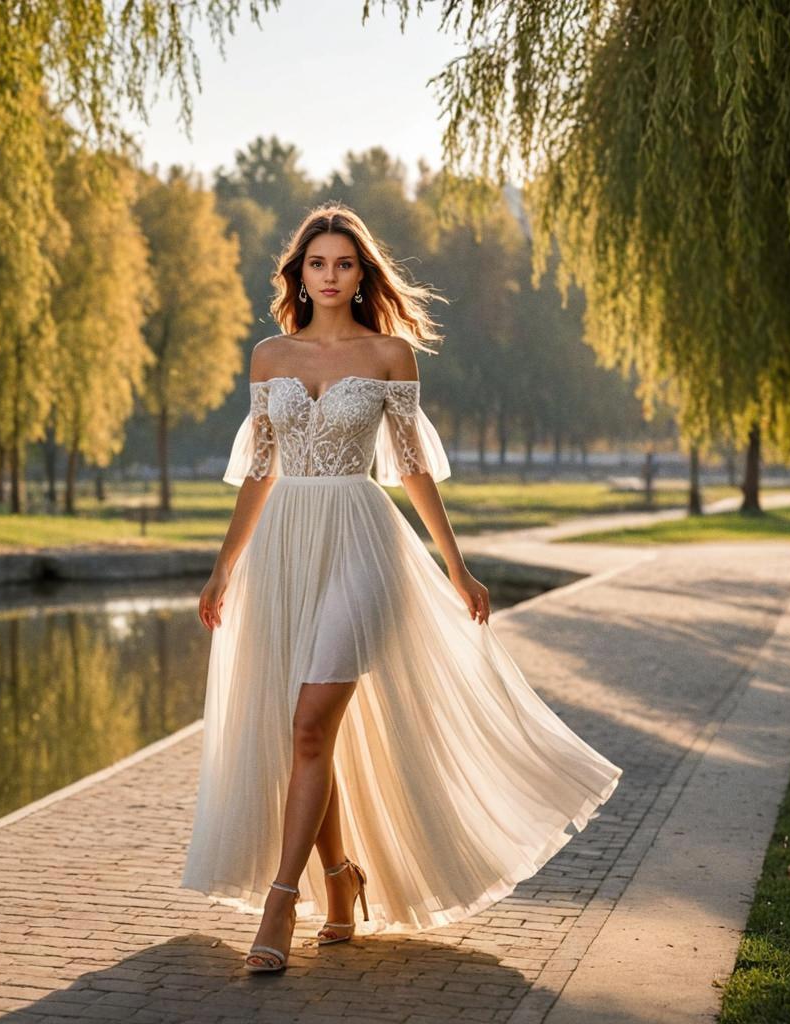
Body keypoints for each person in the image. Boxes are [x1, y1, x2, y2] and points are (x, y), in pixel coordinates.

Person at [180, 202, 622, 973]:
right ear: (299, 272)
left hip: (360, 540)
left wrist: (457, 565)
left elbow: (413, 468)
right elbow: (259, 472)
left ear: (362, 274)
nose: (329, 275)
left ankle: (282, 903)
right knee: (305, 732)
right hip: (283, 544)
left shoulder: (390, 355)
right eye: (316, 263)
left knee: (313, 719)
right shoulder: (269, 356)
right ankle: (344, 883)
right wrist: (223, 566)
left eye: (343, 263)